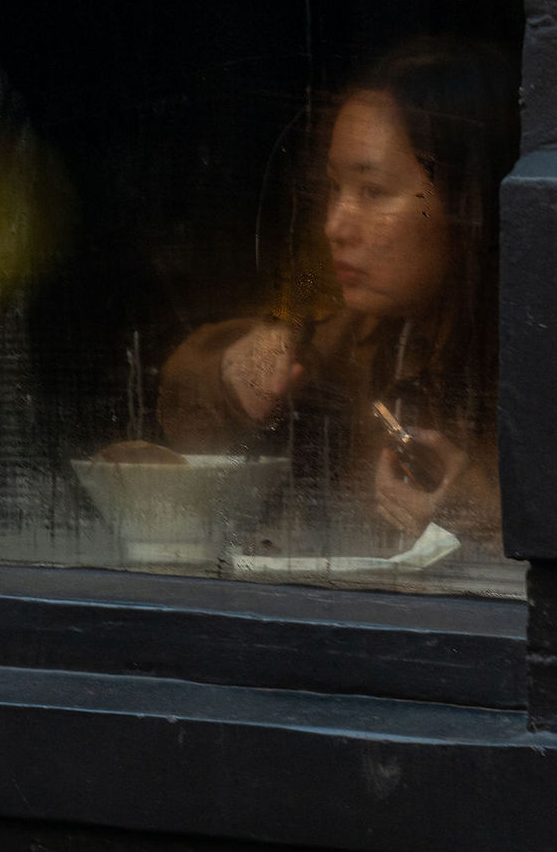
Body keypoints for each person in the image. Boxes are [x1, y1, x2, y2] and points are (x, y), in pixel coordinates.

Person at [158, 38, 513, 546]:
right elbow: (186, 398)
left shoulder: (548, 354)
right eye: (334, 188)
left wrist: (495, 522)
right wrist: (232, 379)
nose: (335, 225)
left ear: (468, 203)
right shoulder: (348, 323)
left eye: (372, 191)